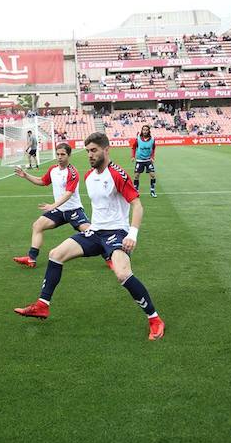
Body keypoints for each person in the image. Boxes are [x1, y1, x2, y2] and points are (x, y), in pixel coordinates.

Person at [14, 132, 166, 341]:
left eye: (94, 150)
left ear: (106, 150)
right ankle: (42, 305)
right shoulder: (89, 176)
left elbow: (137, 205)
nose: (90, 155)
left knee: (122, 274)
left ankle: (155, 319)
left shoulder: (117, 174)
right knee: (55, 254)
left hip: (116, 233)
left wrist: (132, 234)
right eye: (87, 152)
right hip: (95, 232)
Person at [12, 143, 91, 268]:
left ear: (69, 155)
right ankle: (31, 258)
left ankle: (109, 257)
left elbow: (68, 193)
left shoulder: (72, 172)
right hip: (59, 210)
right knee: (37, 225)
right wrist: (26, 175)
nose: (59, 157)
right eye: (58, 154)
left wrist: (53, 205)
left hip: (73, 210)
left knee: (91, 233)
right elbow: (42, 181)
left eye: (63, 154)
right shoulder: (53, 169)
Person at [130, 124, 158, 198]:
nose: (145, 131)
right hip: (139, 160)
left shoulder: (152, 139)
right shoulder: (138, 139)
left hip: (148, 160)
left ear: (149, 131)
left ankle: (152, 191)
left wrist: (152, 157)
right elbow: (133, 147)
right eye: (143, 130)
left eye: (146, 130)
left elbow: (153, 148)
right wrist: (133, 156)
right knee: (136, 176)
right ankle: (136, 191)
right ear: (142, 131)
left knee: (152, 175)